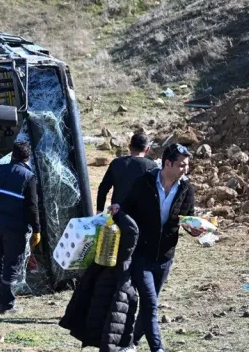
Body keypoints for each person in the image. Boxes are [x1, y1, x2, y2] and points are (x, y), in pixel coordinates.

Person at [110, 143, 199, 352]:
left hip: (165, 257)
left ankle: (130, 342)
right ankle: (157, 348)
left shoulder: (186, 188)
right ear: (168, 163)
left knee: (150, 304)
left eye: (187, 166)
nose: (185, 169)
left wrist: (193, 230)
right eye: (182, 165)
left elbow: (188, 219)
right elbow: (128, 206)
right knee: (150, 304)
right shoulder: (145, 182)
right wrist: (117, 209)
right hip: (142, 253)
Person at [59, 210, 140, 352]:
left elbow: (132, 231)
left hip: (109, 276)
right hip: (111, 276)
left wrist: (118, 213)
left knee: (109, 320)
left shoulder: (120, 234)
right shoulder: (118, 258)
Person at [0, 141, 41, 314]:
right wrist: (37, 230)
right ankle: (7, 306)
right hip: (15, 226)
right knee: (12, 264)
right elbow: (32, 207)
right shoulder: (28, 177)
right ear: (27, 158)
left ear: (12, 155)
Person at [97, 133, 157, 213]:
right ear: (147, 149)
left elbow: (103, 189)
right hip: (142, 217)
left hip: (117, 214)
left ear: (129, 147)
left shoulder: (116, 163)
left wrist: (99, 210)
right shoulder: (153, 166)